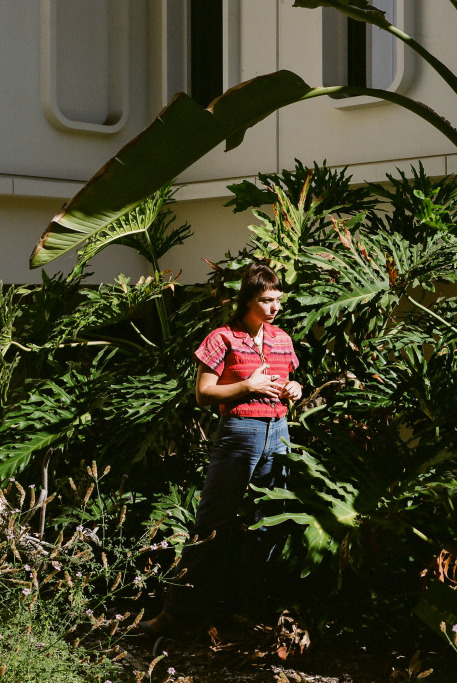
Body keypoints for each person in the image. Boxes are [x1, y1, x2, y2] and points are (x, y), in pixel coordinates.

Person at [139, 262, 302, 636]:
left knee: (270, 522)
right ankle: (175, 614)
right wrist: (247, 386)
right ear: (248, 300)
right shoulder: (222, 338)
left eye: (278, 299)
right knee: (211, 524)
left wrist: (295, 391)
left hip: (278, 431)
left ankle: (253, 612)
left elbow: (287, 386)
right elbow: (203, 394)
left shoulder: (282, 340)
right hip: (240, 431)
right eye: (266, 300)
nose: (275, 307)